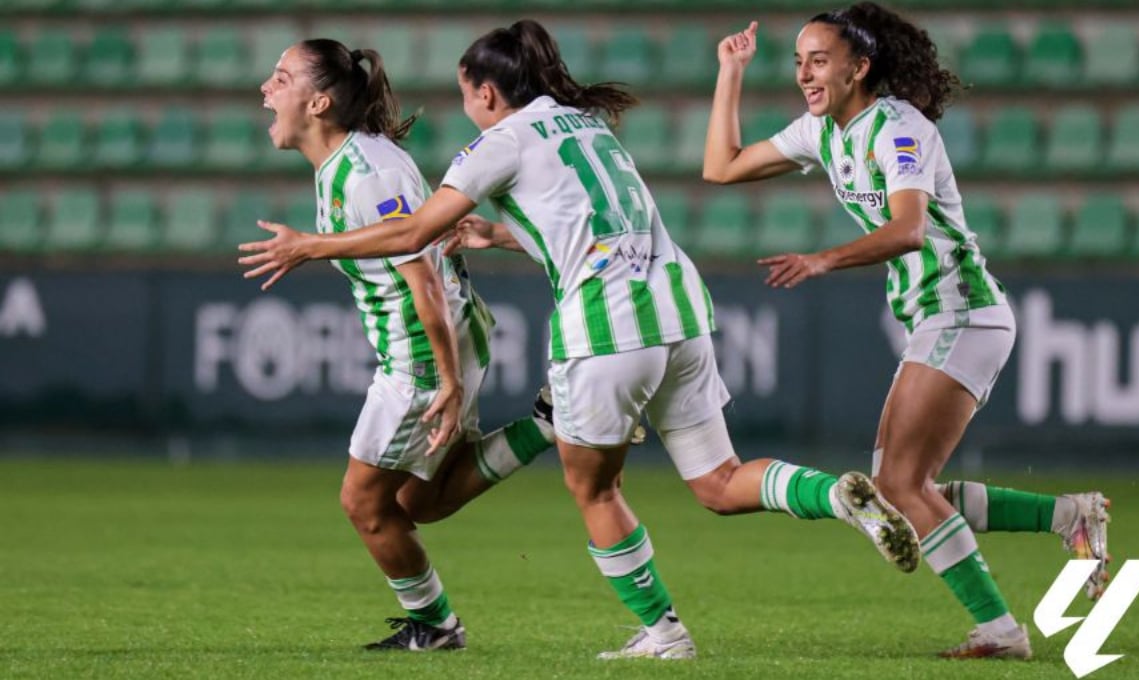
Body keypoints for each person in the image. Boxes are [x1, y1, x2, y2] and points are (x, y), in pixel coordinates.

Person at [241, 19, 922, 661]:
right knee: (717, 481)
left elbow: (415, 234)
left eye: (466, 95)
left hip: (605, 326)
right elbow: (584, 221)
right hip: (679, 309)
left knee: (595, 489)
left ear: (485, 92)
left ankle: (663, 632)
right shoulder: (588, 126)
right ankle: (837, 497)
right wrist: (502, 235)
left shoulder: (497, 142)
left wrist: (310, 246)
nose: (467, 108)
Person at [701, 4, 1110, 659]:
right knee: (905, 488)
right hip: (938, 319)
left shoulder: (897, 127)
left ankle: (1002, 632)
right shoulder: (822, 132)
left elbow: (909, 229)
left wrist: (822, 258)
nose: (805, 73)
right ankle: (1070, 517)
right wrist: (730, 73)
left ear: (860, 67)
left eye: (820, 60)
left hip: (963, 312)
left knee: (897, 486)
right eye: (799, 61)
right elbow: (720, 167)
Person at [256, 38, 560, 652]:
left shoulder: (365, 172)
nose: (266, 87)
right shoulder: (347, 163)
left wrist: (444, 379)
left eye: (280, 77)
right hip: (447, 336)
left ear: (318, 102)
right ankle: (545, 425)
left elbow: (420, 278)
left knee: (363, 503)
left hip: (423, 351)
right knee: (418, 500)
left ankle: (437, 625)